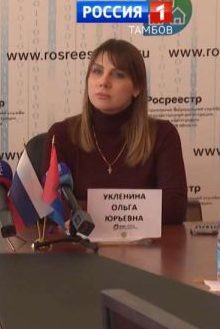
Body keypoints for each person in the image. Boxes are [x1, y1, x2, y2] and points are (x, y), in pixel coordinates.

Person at [42, 39, 187, 224]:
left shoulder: (163, 134)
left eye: (118, 75)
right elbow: (53, 208)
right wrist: (133, 211)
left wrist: (86, 209)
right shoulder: (61, 134)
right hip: (79, 242)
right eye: (97, 71)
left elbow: (174, 208)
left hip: (145, 243)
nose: (103, 82)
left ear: (137, 88)